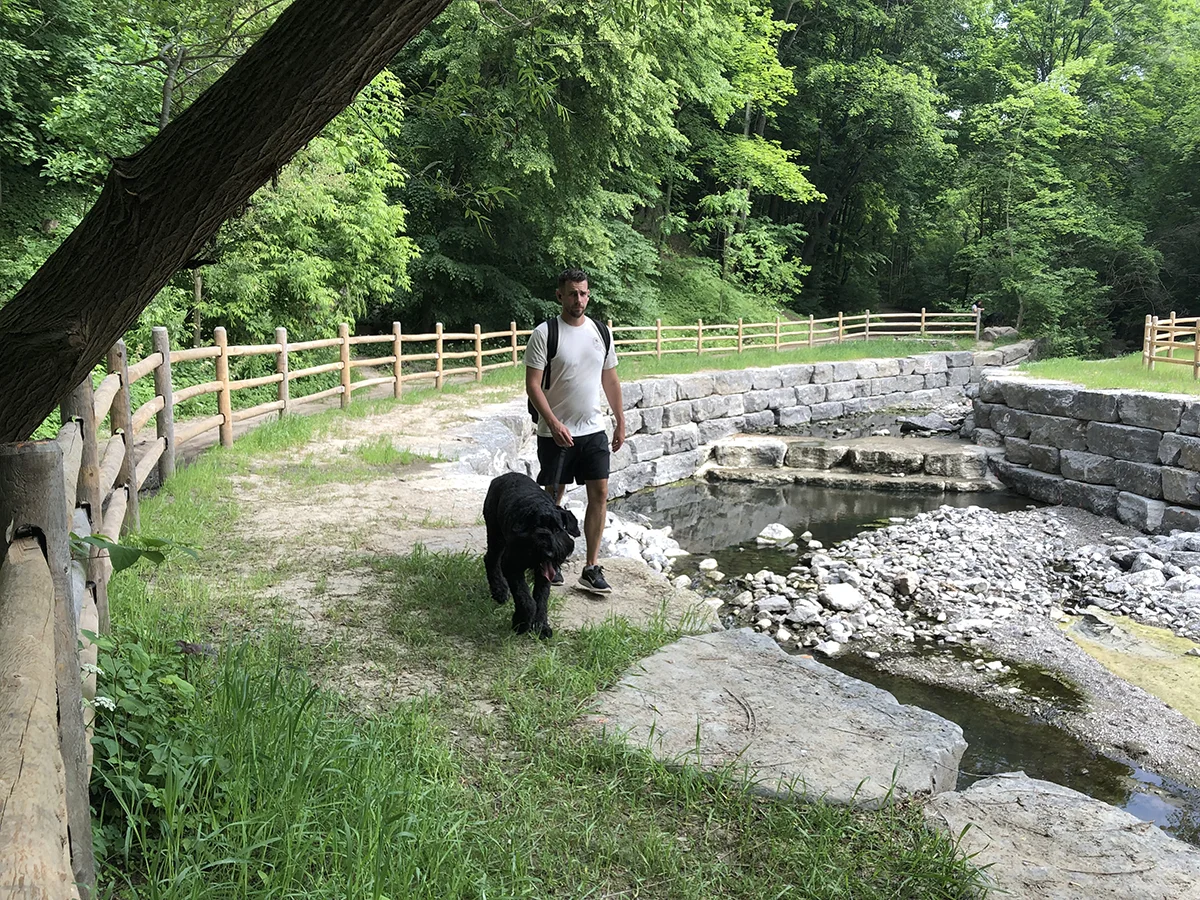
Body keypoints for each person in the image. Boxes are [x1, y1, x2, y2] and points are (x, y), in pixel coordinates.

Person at [525, 268, 625, 594]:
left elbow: (610, 379)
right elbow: (532, 385)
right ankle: (547, 562)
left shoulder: (601, 332)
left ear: (588, 294)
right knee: (553, 498)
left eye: (583, 293)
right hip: (554, 432)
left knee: (600, 494)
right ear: (560, 295)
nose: (578, 299)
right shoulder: (545, 333)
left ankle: (591, 567)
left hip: (593, 429)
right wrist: (553, 423)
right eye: (571, 293)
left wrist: (620, 420)